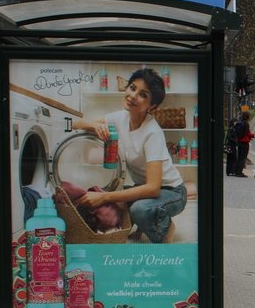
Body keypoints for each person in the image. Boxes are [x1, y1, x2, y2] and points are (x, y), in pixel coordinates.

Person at [73, 68, 186, 243]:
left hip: (172, 192)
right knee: (100, 198)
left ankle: (166, 228)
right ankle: (142, 224)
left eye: (143, 95)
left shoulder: (152, 132)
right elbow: (76, 123)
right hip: (143, 188)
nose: (133, 96)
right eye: (132, 88)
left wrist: (104, 197)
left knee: (140, 209)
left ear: (152, 106)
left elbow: (153, 188)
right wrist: (95, 126)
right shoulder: (120, 118)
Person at [235, 112, 255, 176]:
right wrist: (254, 136)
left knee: (239, 157)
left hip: (239, 141)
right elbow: (248, 133)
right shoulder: (246, 124)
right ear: (248, 117)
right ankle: (240, 172)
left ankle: (236, 171)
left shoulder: (239, 122)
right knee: (243, 158)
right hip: (244, 143)